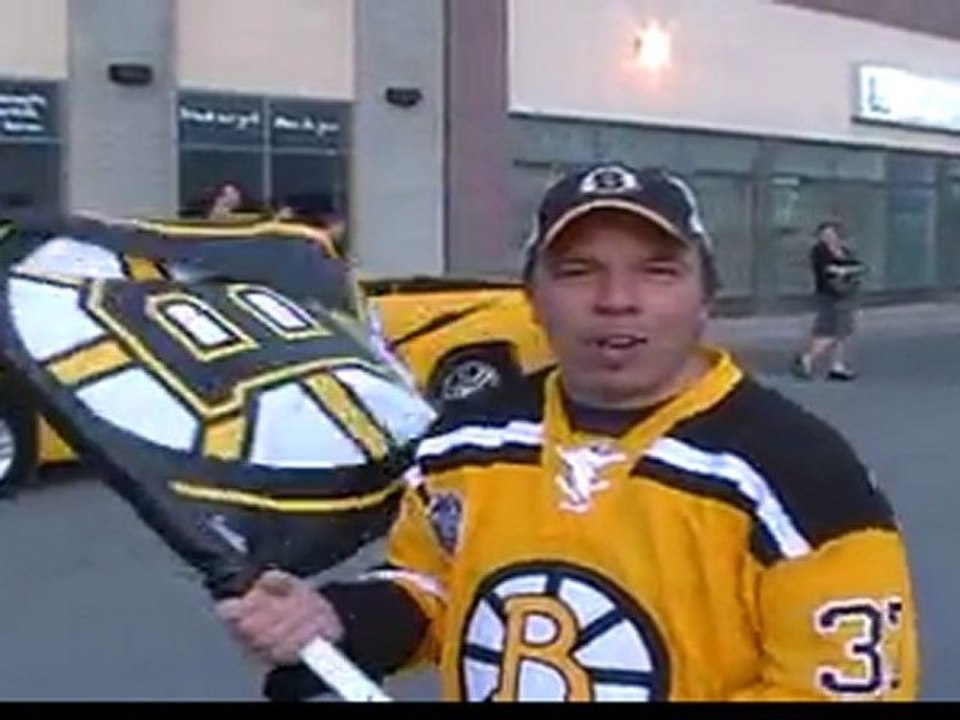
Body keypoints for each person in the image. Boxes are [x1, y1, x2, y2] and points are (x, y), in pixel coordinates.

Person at [216, 162, 918, 702]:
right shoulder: (468, 440)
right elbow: (432, 590)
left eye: (657, 271)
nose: (616, 301)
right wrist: (333, 618)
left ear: (706, 297)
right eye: (578, 272)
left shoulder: (801, 473)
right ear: (531, 297)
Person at [792, 221, 866, 381]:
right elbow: (829, 270)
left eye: (831, 234)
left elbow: (859, 267)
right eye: (824, 235)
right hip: (829, 295)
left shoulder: (844, 251)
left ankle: (837, 365)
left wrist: (846, 270)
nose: (828, 238)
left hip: (846, 295)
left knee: (843, 332)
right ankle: (807, 358)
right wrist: (845, 270)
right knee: (830, 332)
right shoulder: (820, 251)